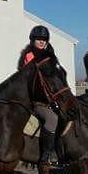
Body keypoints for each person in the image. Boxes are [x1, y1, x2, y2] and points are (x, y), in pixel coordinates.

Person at [18, 26, 61, 165]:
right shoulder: (29, 56)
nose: (42, 42)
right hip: (35, 99)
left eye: (44, 40)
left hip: (49, 97)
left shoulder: (48, 55)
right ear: (33, 40)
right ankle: (47, 153)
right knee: (52, 118)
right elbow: (35, 81)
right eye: (39, 39)